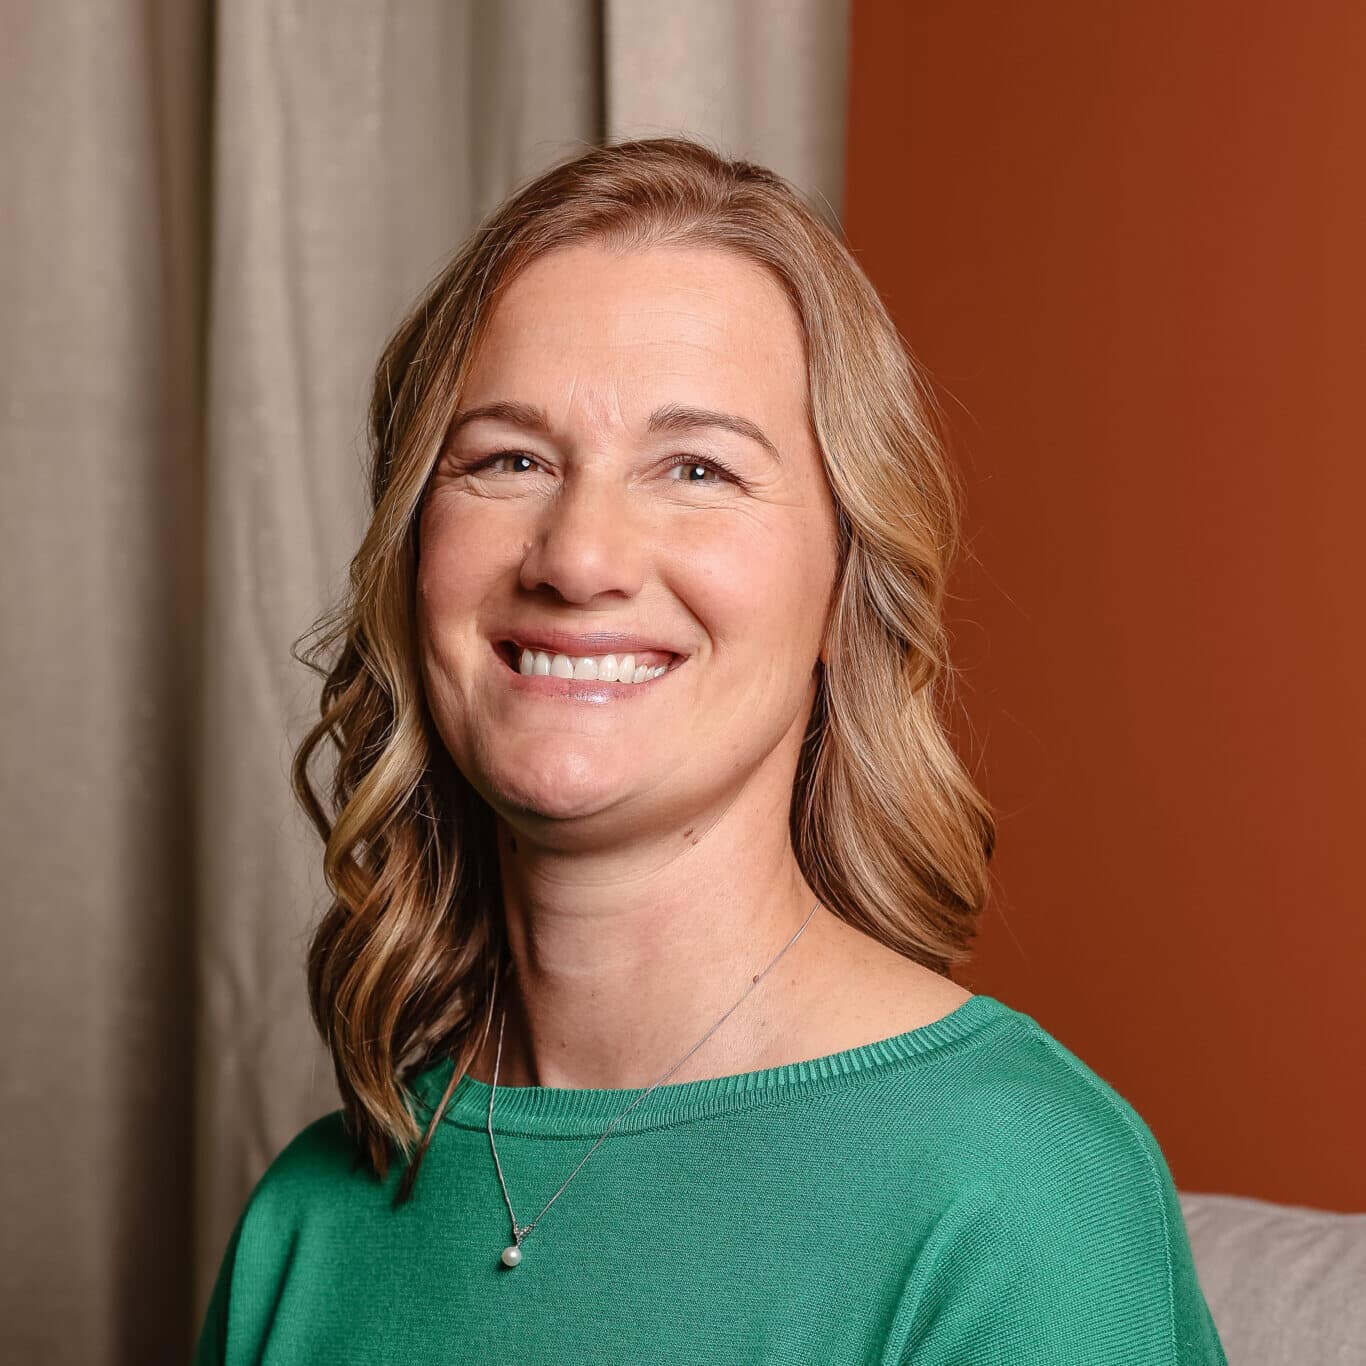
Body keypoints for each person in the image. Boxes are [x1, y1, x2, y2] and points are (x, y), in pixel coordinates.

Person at [193, 135, 1227, 1364]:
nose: (578, 558)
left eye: (697, 468)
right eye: (507, 459)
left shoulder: (1018, 1192)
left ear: (844, 587)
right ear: (413, 557)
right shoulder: (308, 1217)